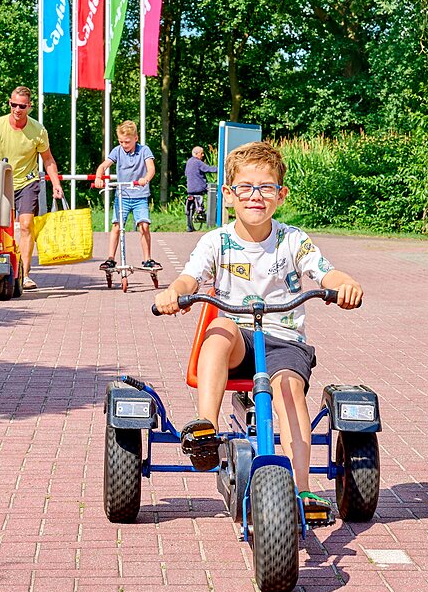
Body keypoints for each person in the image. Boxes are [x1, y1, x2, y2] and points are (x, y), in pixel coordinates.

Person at [153, 141, 363, 521]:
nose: (256, 196)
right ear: (228, 195)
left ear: (280, 195)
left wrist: (345, 283)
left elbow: (324, 271)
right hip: (239, 336)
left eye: (266, 188)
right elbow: (189, 279)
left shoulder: (293, 240)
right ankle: (207, 430)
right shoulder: (216, 241)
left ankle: (302, 488)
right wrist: (174, 292)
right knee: (218, 328)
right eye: (245, 188)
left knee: (288, 392)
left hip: (285, 341)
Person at [0, 86, 64, 290]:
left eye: (22, 106)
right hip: (1, 182)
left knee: (26, 225)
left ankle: (24, 275)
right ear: (9, 103)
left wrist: (56, 184)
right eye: (14, 104)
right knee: (3, 227)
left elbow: (48, 159)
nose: (17, 109)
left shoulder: (38, 130)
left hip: (28, 181)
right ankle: (2, 269)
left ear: (29, 107)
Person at [93, 120, 159, 270]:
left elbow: (151, 169)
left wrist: (145, 179)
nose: (124, 145)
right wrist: (99, 177)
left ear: (136, 138)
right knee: (117, 226)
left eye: (127, 142)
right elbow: (104, 166)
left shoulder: (144, 151)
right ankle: (110, 258)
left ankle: (147, 258)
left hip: (139, 195)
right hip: (122, 196)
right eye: (121, 142)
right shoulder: (117, 151)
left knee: (144, 226)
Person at [183, 145, 218, 231]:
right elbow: (208, 169)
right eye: (201, 153)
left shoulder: (189, 162)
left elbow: (186, 173)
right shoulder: (198, 162)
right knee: (216, 195)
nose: (203, 155)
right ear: (196, 154)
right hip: (200, 187)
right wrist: (220, 169)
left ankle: (189, 224)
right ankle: (212, 217)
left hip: (190, 189)